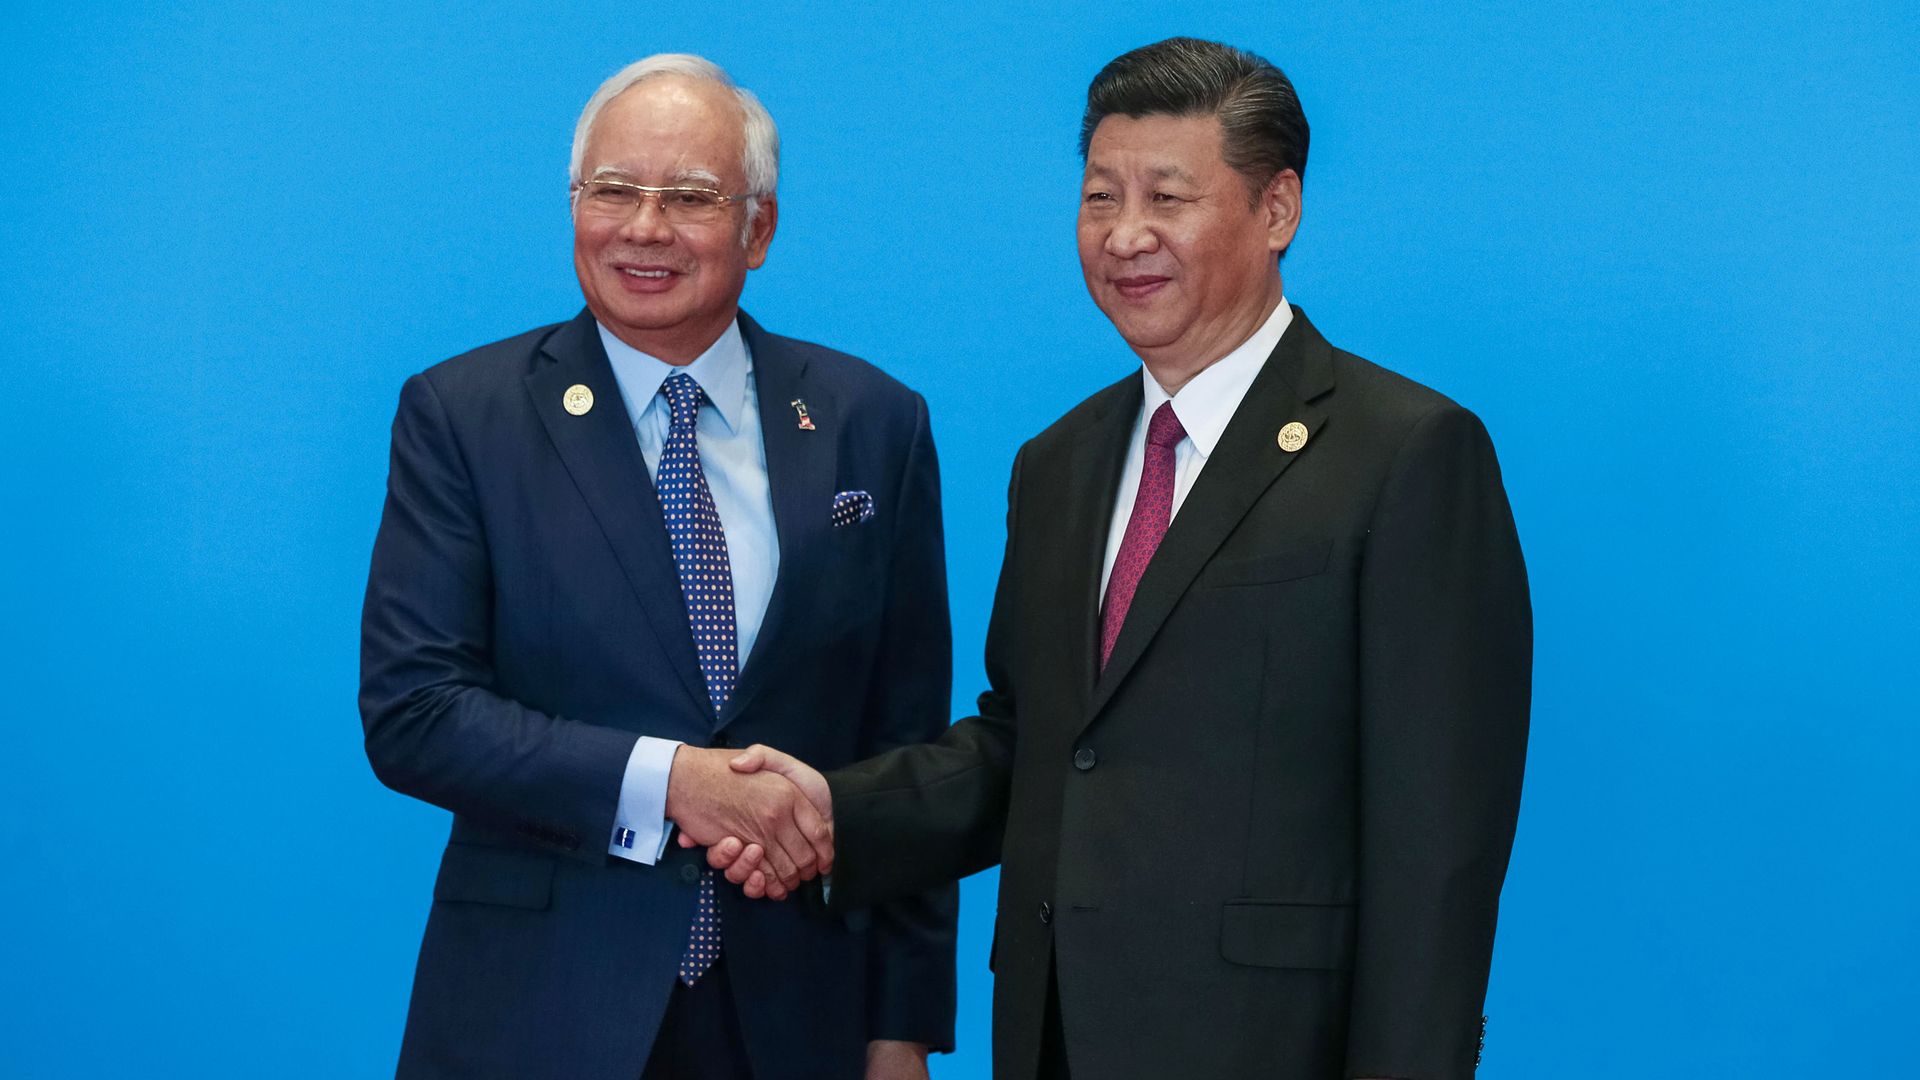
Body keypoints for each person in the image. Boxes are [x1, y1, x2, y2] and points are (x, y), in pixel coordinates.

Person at [708, 37, 1531, 1080]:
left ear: (1277, 209)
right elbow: (1032, 746)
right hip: (1055, 1038)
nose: (1126, 235)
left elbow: (1438, 845)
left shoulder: (1405, 454)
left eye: (1167, 197)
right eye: (1101, 198)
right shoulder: (1060, 461)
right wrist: (836, 813)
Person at [359, 53, 956, 1080]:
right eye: (612, 191)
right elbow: (417, 711)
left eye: (688, 197)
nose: (643, 228)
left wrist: (898, 1029)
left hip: (797, 1015)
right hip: (540, 1009)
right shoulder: (465, 416)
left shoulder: (872, 422)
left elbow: (904, 749)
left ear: (758, 228)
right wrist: (672, 783)